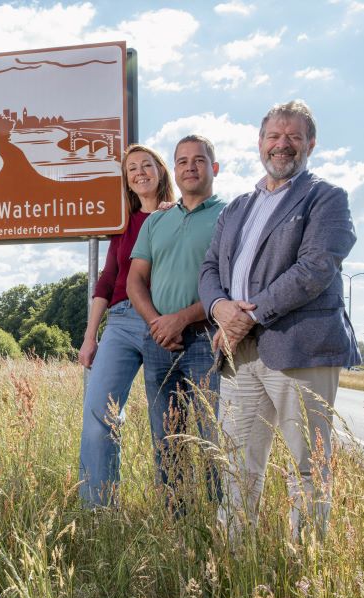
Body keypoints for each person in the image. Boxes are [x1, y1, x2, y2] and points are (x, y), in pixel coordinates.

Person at [199, 100, 360, 541]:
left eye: (293, 136)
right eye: (274, 136)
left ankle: (304, 568)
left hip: (299, 347)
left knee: (307, 465)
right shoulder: (238, 207)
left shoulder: (326, 198)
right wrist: (219, 309)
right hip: (240, 356)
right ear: (260, 142)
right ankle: (234, 560)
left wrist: (246, 316)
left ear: (310, 143)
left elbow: (314, 269)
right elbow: (210, 268)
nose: (282, 145)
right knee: (236, 464)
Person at [127, 135, 226, 512]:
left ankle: (221, 525)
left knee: (212, 437)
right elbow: (135, 279)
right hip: (159, 343)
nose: (190, 167)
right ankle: (177, 528)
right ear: (175, 168)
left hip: (207, 339)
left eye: (198, 160)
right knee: (167, 440)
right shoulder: (158, 221)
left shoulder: (230, 216)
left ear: (213, 168)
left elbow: (230, 285)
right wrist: (157, 323)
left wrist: (182, 319)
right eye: (182, 160)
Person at [78, 144, 174, 507]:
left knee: (165, 422)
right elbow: (106, 281)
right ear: (126, 180)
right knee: (97, 415)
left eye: (146, 166)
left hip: (161, 322)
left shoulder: (177, 216)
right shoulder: (122, 225)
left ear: (160, 171)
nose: (139, 173)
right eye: (132, 169)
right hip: (119, 323)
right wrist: (90, 337)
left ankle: (173, 512)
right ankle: (98, 510)